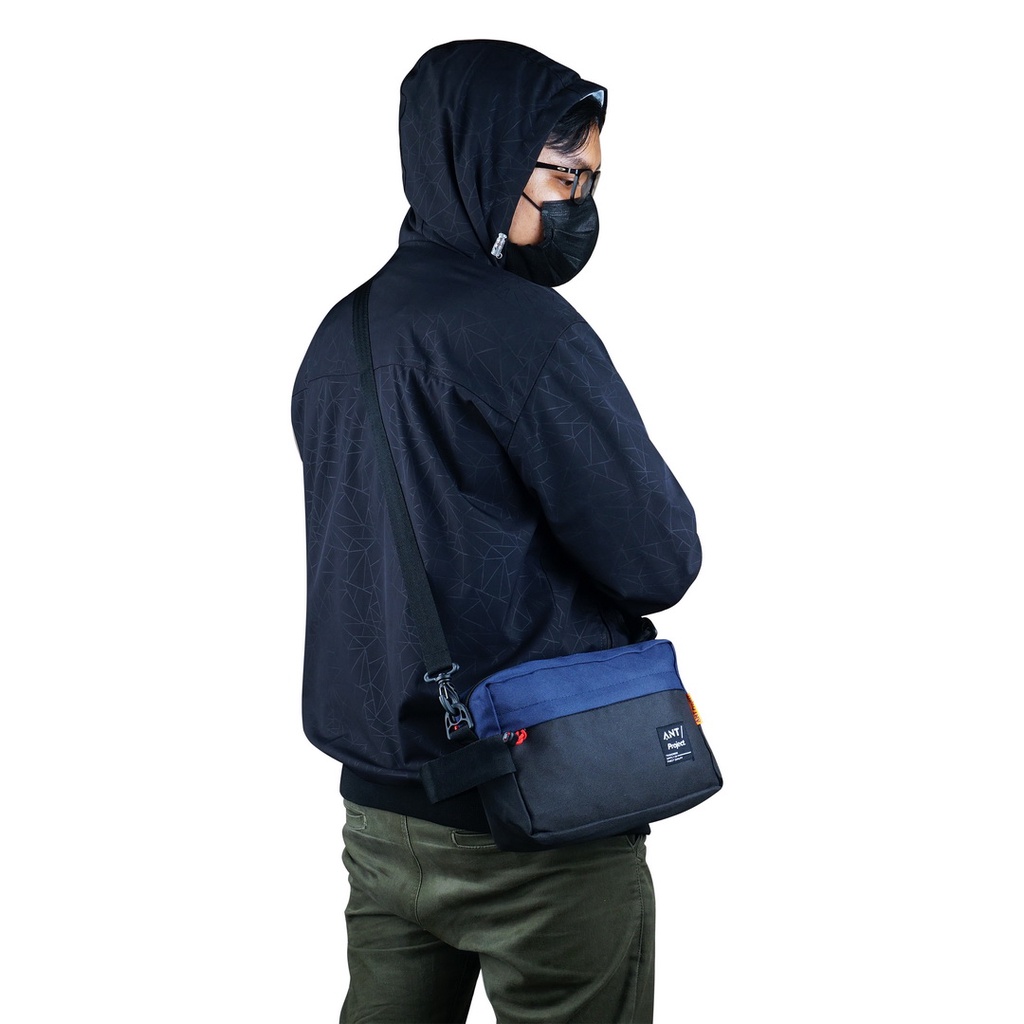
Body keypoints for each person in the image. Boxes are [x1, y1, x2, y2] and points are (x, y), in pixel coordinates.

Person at [292, 39, 702, 1024]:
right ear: (485, 157)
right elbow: (658, 558)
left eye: (590, 181)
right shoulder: (526, 333)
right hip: (538, 811)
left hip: (382, 817)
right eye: (564, 176)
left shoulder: (338, 337)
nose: (579, 204)